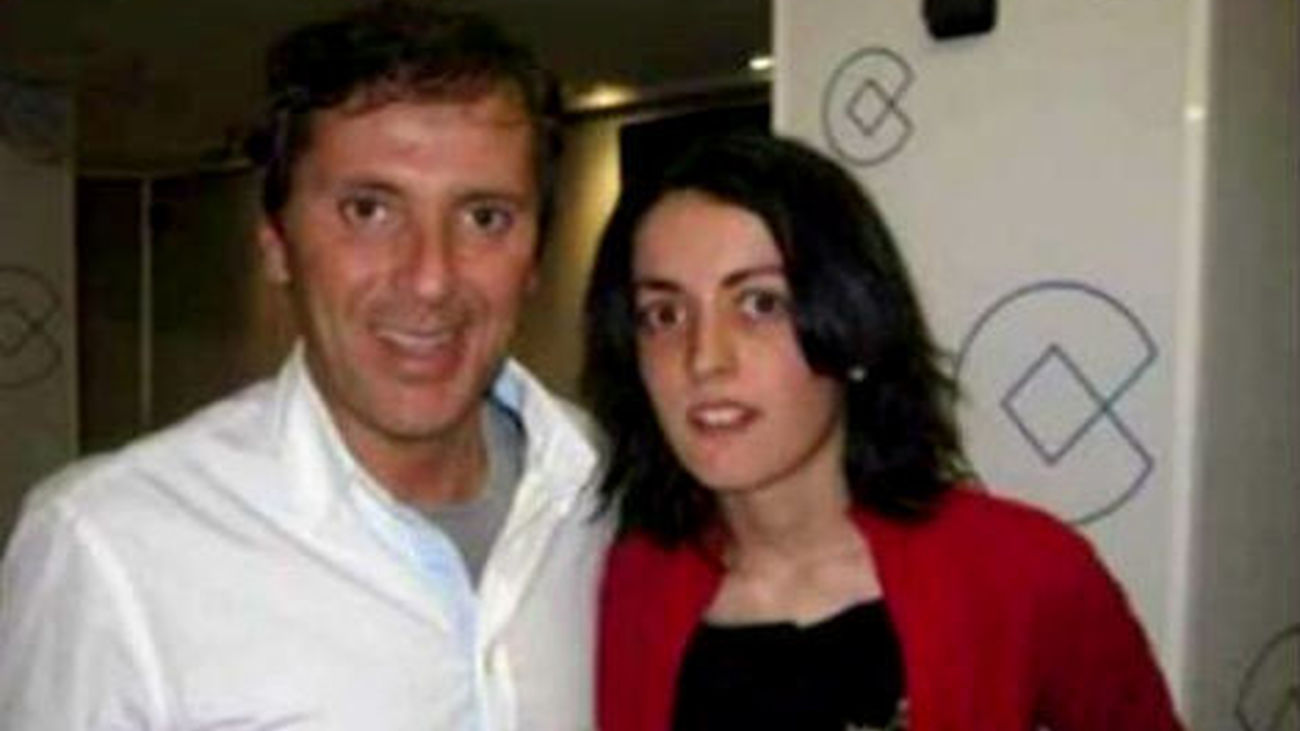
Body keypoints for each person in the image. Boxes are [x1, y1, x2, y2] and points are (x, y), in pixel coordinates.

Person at [0, 5, 609, 730]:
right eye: (369, 210)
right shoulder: (111, 545)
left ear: (534, 256)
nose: (430, 278)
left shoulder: (612, 495)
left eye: (484, 217)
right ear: (276, 244)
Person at [582, 133, 1183, 730]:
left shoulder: (1022, 573)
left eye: (761, 304)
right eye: (664, 315)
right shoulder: (621, 588)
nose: (704, 359)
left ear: (852, 321)